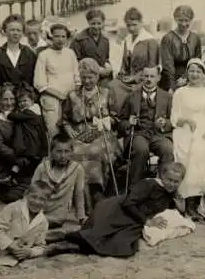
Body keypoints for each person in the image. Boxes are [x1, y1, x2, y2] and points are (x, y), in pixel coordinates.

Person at [44, 162, 186, 258]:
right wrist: (147, 221)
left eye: (176, 182)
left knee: (121, 246)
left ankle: (70, 246)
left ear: (181, 182)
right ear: (162, 176)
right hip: (119, 210)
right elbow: (128, 203)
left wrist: (181, 207)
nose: (172, 184)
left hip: (134, 219)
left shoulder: (171, 193)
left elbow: (170, 212)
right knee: (102, 235)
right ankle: (64, 237)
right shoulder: (149, 184)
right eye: (169, 179)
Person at [60, 58, 121, 206]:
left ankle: (97, 191)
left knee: (98, 151)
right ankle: (82, 194)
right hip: (79, 133)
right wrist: (68, 129)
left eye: (91, 77)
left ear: (97, 77)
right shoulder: (72, 95)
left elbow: (116, 117)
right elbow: (64, 119)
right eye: (84, 77)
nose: (87, 81)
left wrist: (105, 122)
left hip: (102, 134)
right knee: (76, 150)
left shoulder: (106, 93)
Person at [171, 58, 205, 218]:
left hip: (204, 128)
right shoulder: (180, 92)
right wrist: (186, 120)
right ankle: (190, 200)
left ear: (203, 74)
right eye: (191, 71)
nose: (194, 74)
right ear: (187, 73)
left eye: (198, 71)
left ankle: (204, 198)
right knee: (193, 151)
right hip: (184, 128)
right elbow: (174, 117)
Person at [119, 65, 174, 187]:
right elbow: (121, 121)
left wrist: (165, 123)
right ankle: (135, 188)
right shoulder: (132, 96)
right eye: (146, 76)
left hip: (158, 134)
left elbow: (173, 121)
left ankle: (163, 186)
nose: (149, 79)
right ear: (142, 77)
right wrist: (129, 123)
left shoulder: (167, 97)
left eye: (152, 76)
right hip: (139, 133)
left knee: (168, 149)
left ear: (158, 78)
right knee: (141, 150)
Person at [0, 84, 37, 203]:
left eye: (12, 99)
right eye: (5, 99)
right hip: (5, 163)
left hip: (25, 162)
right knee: (11, 197)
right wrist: (17, 158)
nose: (9, 103)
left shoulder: (23, 114)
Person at [0, 14, 38, 118]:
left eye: (19, 30)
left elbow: (34, 77)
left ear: (23, 32)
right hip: (4, 99)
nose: (16, 33)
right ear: (5, 31)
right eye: (12, 30)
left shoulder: (29, 53)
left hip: (24, 99)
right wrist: (4, 87)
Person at [31, 133, 90, 227]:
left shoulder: (77, 169)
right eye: (59, 151)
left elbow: (79, 194)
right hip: (37, 212)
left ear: (72, 152)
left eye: (67, 151)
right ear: (51, 152)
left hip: (57, 217)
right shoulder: (42, 168)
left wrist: (81, 217)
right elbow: (32, 192)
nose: (63, 155)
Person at [0, 83, 48, 186]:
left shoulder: (31, 112)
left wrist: (5, 113)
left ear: (32, 101)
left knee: (23, 165)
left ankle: (15, 179)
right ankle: (13, 178)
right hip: (32, 147)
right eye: (20, 102)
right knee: (20, 165)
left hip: (31, 148)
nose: (22, 104)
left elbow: (16, 117)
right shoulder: (34, 112)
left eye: (25, 101)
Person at [108, 7, 159, 115]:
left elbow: (152, 66)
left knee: (136, 91)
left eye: (134, 25)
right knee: (113, 85)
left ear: (141, 23)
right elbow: (124, 63)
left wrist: (135, 78)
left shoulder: (150, 41)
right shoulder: (127, 40)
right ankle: (118, 117)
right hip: (129, 79)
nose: (131, 28)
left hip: (143, 79)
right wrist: (122, 73)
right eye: (128, 25)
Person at [33, 23, 81, 138]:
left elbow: (77, 77)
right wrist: (60, 95)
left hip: (70, 99)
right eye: (57, 36)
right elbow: (39, 84)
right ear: (51, 37)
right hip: (52, 99)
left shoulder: (70, 53)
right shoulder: (44, 55)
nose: (60, 39)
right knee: (54, 133)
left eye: (63, 36)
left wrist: (72, 95)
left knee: (72, 132)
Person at [159, 5, 203, 93]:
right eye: (180, 20)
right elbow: (168, 64)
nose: (183, 24)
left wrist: (185, 77)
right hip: (170, 78)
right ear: (175, 19)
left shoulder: (195, 38)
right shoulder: (168, 38)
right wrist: (172, 86)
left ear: (191, 20)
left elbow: (197, 61)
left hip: (191, 77)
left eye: (186, 20)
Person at [70, 9, 113, 87]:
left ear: (103, 23)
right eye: (93, 23)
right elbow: (73, 62)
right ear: (88, 23)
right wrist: (95, 70)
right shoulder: (78, 40)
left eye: (99, 23)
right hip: (86, 78)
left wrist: (108, 67)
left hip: (102, 78)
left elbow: (106, 58)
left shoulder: (105, 40)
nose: (96, 27)